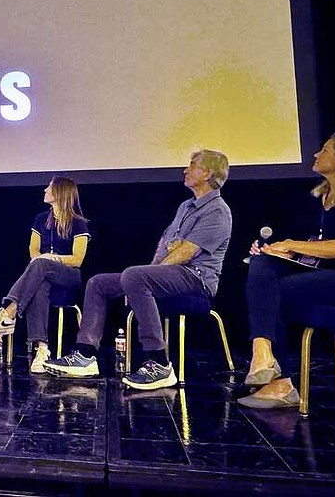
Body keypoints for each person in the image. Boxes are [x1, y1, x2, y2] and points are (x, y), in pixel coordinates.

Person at [44, 149, 232, 391]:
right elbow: (166, 245)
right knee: (99, 283)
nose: (186, 169)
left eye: (192, 165)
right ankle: (85, 355)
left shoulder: (217, 211)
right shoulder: (186, 206)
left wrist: (147, 278)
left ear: (207, 173)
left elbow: (186, 252)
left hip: (197, 279)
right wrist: (149, 276)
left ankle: (159, 363)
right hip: (172, 274)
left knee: (135, 275)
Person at [238, 131, 335, 409]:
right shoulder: (322, 197)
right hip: (324, 277)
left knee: (274, 290)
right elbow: (311, 245)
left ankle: (278, 378)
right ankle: (263, 354)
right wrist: (274, 250)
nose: (315, 155)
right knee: (262, 265)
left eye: (324, 150)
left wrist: (290, 244)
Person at [0, 177, 90, 373]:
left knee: (41, 264)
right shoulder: (40, 219)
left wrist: (51, 259)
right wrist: (43, 259)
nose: (45, 190)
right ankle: (42, 350)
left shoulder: (79, 223)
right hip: (43, 275)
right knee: (39, 286)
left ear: (60, 192)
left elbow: (77, 259)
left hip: (69, 276)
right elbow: (33, 251)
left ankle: (8, 312)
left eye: (50, 187)